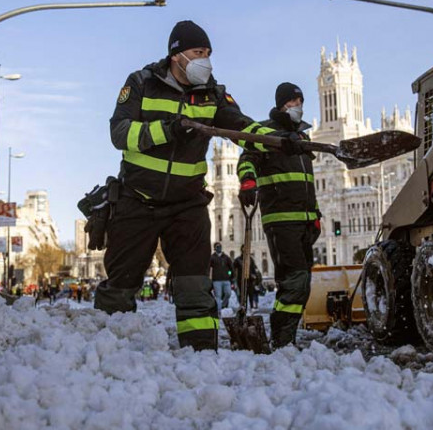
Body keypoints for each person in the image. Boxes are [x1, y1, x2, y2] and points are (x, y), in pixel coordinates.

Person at [94, 21, 303, 351]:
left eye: (207, 53)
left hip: (187, 204)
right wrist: (169, 129)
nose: (204, 60)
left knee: (195, 285)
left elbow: (242, 127)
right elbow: (119, 133)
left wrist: (280, 141)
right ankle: (105, 351)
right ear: (176, 55)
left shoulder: (213, 95)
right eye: (197, 53)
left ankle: (201, 353)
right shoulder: (141, 83)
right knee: (121, 283)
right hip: (138, 199)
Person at [237, 82, 321, 348]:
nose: (298, 107)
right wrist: (248, 181)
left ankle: (287, 337)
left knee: (303, 282)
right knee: (294, 281)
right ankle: (283, 340)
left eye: (300, 102)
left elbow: (306, 181)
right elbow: (246, 158)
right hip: (281, 219)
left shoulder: (303, 138)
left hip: (305, 219)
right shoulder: (266, 133)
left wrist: (314, 213)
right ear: (282, 104)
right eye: (293, 102)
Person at [210, 242, 233, 311]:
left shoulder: (226, 257)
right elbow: (209, 268)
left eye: (220, 246)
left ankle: (223, 305)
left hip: (226, 280)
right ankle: (219, 312)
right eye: (217, 246)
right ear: (215, 248)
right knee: (218, 296)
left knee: (228, 293)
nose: (219, 248)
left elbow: (231, 268)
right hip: (216, 280)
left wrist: (229, 274)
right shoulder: (212, 257)